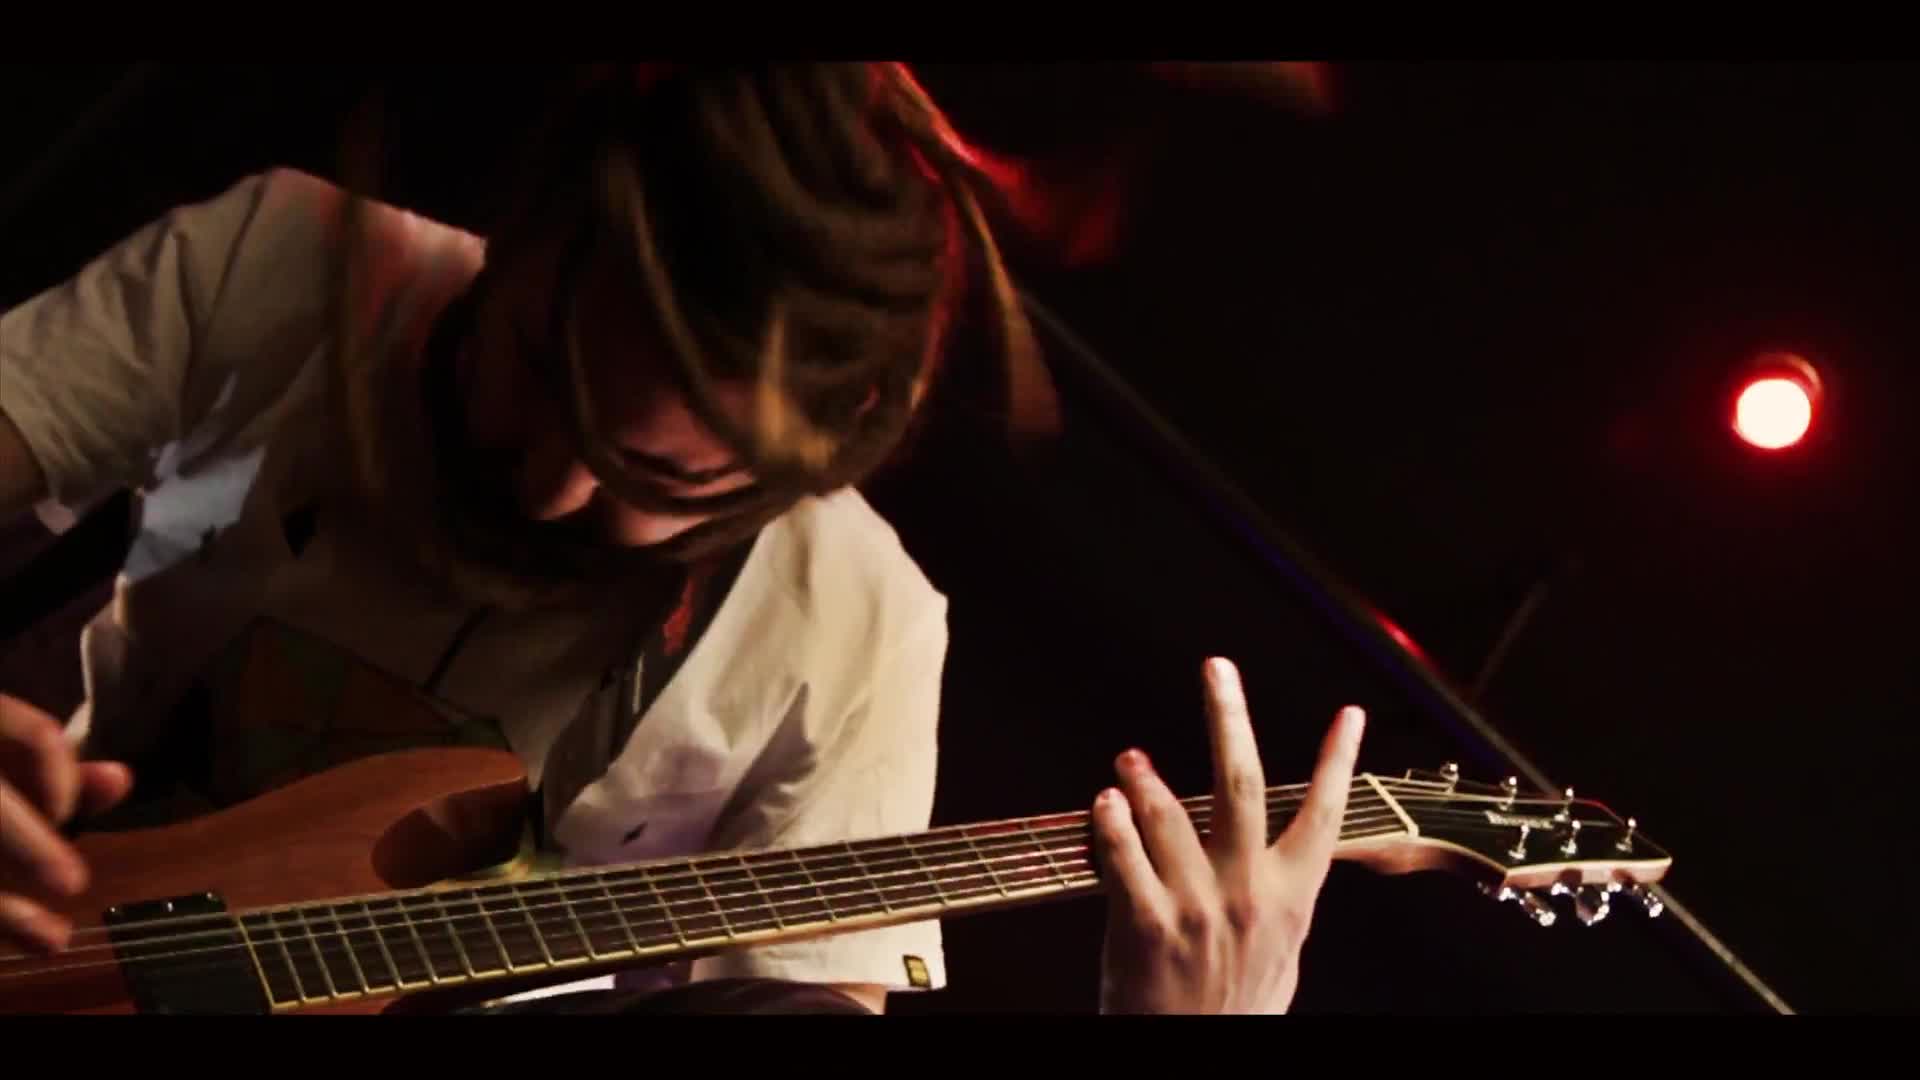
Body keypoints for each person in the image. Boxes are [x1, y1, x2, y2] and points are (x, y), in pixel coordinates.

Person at [0, 63, 1362, 1014]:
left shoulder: (859, 622)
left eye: (648, 475)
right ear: (522, 225)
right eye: (532, 368)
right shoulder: (284, 262)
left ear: (808, 466)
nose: (547, 490)